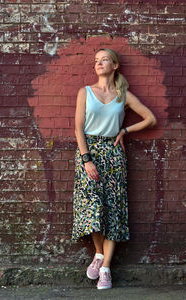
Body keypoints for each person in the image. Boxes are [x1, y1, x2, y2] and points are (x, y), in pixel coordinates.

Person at [72, 48, 157, 290]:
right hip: (89, 153)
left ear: (115, 65)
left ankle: (106, 268)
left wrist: (125, 130)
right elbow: (78, 129)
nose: (99, 63)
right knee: (92, 208)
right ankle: (98, 253)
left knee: (113, 210)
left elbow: (150, 118)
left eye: (104, 59)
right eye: (96, 60)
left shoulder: (124, 95)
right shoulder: (85, 92)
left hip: (113, 155)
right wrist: (86, 159)